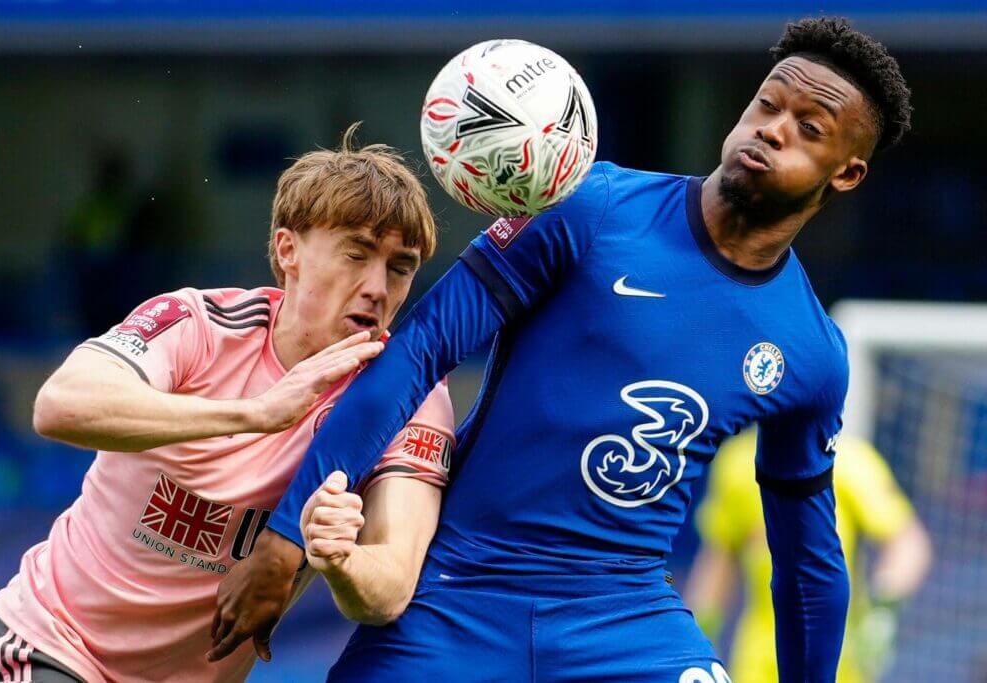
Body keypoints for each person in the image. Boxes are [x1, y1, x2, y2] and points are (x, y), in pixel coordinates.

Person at [211, 17, 913, 682]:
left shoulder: (811, 352)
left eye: (808, 127)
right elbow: (420, 348)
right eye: (766, 104)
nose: (771, 128)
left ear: (845, 173)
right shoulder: (592, 206)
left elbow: (807, 559)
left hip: (627, 620)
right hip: (459, 594)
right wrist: (285, 537)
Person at [0, 129, 455, 683]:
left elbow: (389, 587)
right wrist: (258, 413)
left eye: (400, 267)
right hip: (51, 645)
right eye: (356, 254)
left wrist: (341, 560)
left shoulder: (411, 397)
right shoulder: (199, 324)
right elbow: (58, 406)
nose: (375, 287)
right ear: (288, 250)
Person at [685, 428, 932, 683]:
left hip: (838, 658)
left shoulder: (850, 461)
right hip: (758, 660)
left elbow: (907, 542)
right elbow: (720, 559)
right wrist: (697, 633)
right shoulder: (736, 463)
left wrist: (883, 608)